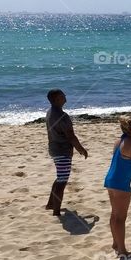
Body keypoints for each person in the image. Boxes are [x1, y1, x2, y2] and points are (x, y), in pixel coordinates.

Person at [103, 116, 131, 257]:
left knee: (114, 214)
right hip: (120, 184)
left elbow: (122, 162)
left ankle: (115, 243)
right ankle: (122, 250)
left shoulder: (118, 142)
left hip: (110, 180)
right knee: (120, 217)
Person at [45, 89, 88, 217]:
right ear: (57, 99)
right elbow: (70, 136)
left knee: (60, 177)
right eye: (63, 95)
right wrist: (81, 149)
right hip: (62, 151)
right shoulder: (62, 116)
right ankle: (56, 211)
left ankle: (51, 204)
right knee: (62, 181)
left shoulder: (50, 112)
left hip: (54, 148)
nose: (65, 96)